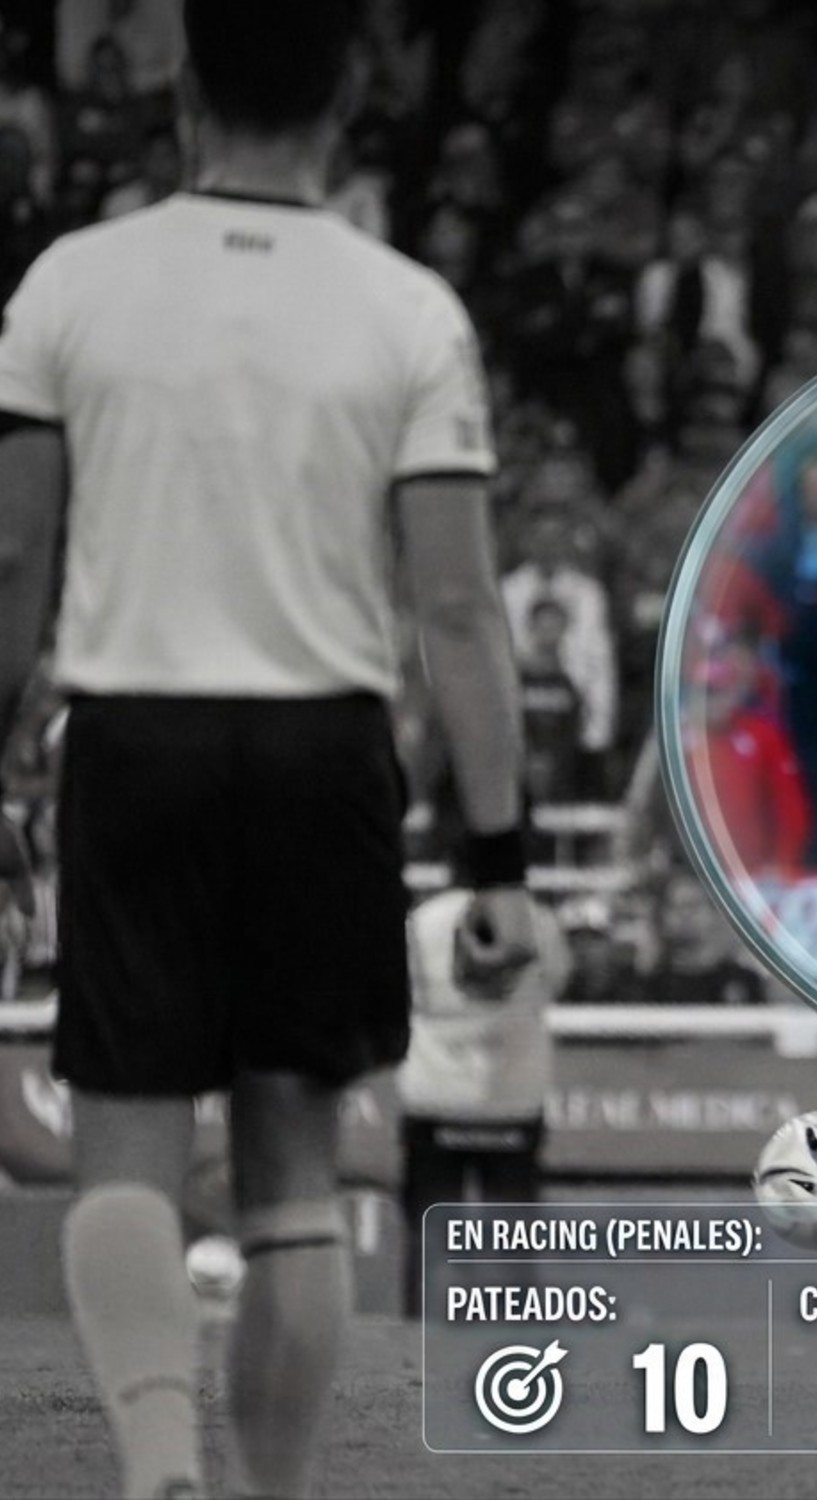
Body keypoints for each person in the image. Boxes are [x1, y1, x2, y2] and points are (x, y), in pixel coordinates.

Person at [0, 5, 537, 1496]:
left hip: (134, 734)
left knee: (125, 1146)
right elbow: (456, 607)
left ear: (183, 90)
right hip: (322, 752)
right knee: (293, 1166)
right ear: (349, 97)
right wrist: (499, 861)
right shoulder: (409, 309)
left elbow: (12, 559)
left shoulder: (70, 284)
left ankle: (158, 1467)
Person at [398, 872, 572, 1320]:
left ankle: (419, 1335)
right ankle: (517, 1331)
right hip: (512, 1098)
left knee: (430, 1232)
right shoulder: (537, 920)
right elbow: (557, 982)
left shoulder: (422, 920)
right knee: (514, 1240)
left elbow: (398, 990)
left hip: (433, 1094)